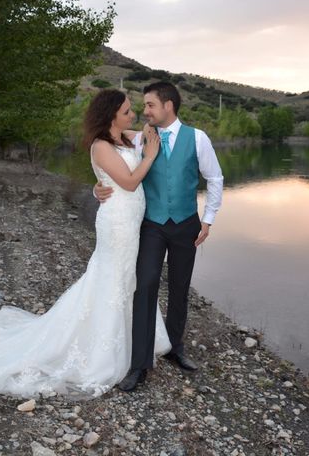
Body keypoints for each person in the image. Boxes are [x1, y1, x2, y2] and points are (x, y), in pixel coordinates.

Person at [0, 89, 172, 399]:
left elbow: (146, 133)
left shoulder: (124, 138)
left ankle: (134, 340)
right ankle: (101, 349)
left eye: (134, 110)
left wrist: (146, 133)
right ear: (112, 114)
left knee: (127, 278)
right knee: (111, 278)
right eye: (128, 111)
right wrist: (150, 157)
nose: (133, 115)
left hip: (132, 222)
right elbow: (129, 182)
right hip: (116, 223)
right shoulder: (102, 145)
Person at [94, 82, 223, 392]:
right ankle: (139, 365)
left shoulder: (198, 138)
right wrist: (97, 189)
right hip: (150, 224)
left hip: (186, 224)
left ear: (168, 106)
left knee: (180, 286)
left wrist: (207, 220)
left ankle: (176, 348)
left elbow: (215, 179)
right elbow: (112, 169)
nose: (144, 111)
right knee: (146, 284)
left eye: (150, 105)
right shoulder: (138, 140)